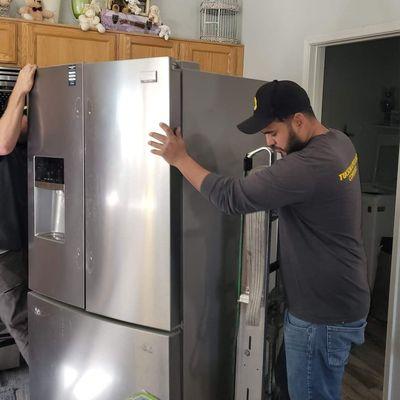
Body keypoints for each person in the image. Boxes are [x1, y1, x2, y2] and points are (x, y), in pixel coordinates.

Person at [148, 80, 370, 400]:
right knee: (288, 385)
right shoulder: (338, 142)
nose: (269, 142)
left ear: (298, 120)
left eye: (272, 132)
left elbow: (230, 197)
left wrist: (180, 158)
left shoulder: (307, 167)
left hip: (322, 316)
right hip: (338, 299)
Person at [0, 64, 37, 364]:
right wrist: (20, 90)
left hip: (15, 230)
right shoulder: (13, 95)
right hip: (3, 240)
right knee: (19, 319)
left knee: (26, 312)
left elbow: (19, 127)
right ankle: (53, 384)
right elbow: (4, 141)